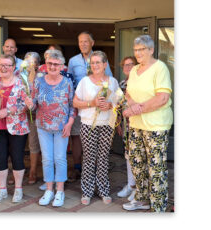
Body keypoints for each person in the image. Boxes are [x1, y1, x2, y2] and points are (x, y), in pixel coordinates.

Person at [122, 35, 173, 212]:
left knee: (156, 167)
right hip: (136, 124)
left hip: (156, 125)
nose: (138, 53)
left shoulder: (160, 68)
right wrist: (133, 106)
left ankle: (158, 206)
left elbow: (162, 98)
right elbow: (128, 94)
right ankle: (142, 199)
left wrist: (137, 109)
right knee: (137, 164)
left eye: (142, 49)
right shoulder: (135, 69)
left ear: (151, 50)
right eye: (136, 50)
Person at [26, 50, 75, 207]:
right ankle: (49, 190)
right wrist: (29, 104)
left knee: (60, 158)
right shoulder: (38, 82)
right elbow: (34, 105)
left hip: (62, 127)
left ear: (61, 66)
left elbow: (73, 106)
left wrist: (69, 123)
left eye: (56, 64)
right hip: (43, 126)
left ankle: (60, 191)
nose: (53, 66)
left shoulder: (67, 83)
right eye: (50, 64)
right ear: (45, 65)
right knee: (47, 159)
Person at [0, 54, 30, 204]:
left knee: (17, 158)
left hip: (17, 127)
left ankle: (18, 189)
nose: (3, 68)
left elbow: (26, 105)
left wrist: (8, 111)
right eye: (0, 65)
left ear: (14, 67)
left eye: (7, 65)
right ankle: (2, 190)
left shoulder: (21, 83)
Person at [73, 51, 118, 205]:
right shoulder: (84, 82)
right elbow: (75, 102)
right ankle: (87, 191)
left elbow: (119, 103)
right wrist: (91, 103)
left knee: (103, 158)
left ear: (105, 64)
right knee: (89, 158)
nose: (95, 65)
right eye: (93, 63)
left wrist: (111, 105)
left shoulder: (113, 82)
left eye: (98, 62)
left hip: (107, 125)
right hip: (88, 125)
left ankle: (103, 190)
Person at [67, 31, 113, 182]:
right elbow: (68, 81)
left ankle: (96, 171)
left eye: (86, 41)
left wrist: (110, 103)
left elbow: (111, 82)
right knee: (76, 137)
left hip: (100, 109)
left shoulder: (100, 58)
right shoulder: (73, 61)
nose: (83, 44)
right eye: (80, 42)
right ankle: (78, 167)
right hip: (80, 104)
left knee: (98, 145)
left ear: (92, 43)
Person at [116, 56, 138, 201]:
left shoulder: (140, 83)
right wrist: (118, 122)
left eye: (131, 65)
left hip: (140, 125)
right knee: (128, 156)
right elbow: (117, 104)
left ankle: (139, 188)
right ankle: (131, 185)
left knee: (139, 157)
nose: (128, 67)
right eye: (125, 65)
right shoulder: (122, 84)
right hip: (127, 125)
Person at [20, 51, 42, 185]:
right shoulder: (18, 76)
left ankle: (33, 170)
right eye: (27, 61)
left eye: (33, 62)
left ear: (38, 64)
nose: (30, 64)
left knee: (33, 143)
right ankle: (19, 169)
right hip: (20, 115)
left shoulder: (42, 77)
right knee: (18, 144)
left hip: (35, 115)